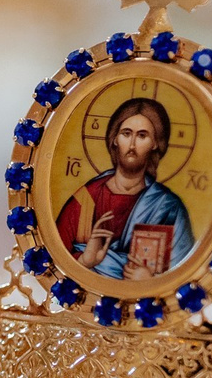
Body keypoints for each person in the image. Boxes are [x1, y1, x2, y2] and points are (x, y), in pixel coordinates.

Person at [54, 97, 195, 280]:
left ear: (155, 143)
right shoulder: (86, 199)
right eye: (126, 134)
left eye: (142, 136)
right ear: (114, 139)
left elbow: (184, 272)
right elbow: (55, 259)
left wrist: (149, 281)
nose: (132, 144)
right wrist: (84, 261)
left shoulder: (169, 207)